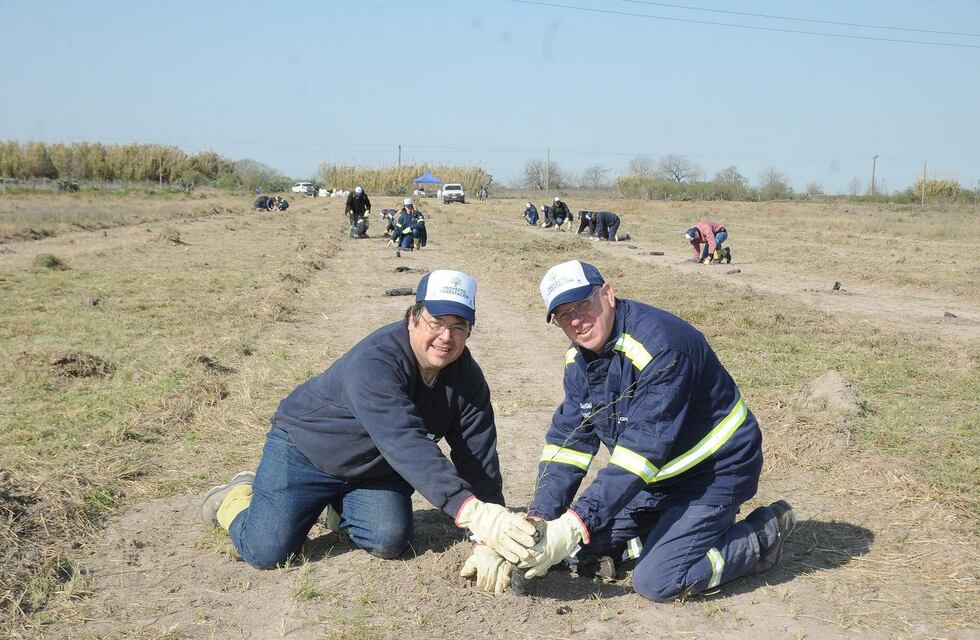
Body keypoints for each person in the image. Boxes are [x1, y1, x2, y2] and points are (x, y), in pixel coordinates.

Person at [200, 270, 538, 594]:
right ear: (412, 318)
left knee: (389, 539)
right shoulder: (376, 363)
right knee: (266, 551)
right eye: (435, 322)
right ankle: (233, 497)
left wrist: (486, 535)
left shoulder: (467, 378)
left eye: (459, 326)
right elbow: (405, 442)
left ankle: (336, 508)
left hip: (374, 467)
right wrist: (472, 512)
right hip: (307, 451)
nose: (446, 337)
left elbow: (477, 456)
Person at [517, 259, 796, 602]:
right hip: (658, 478)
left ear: (608, 294)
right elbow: (567, 444)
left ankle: (762, 535)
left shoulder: (661, 347)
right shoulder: (580, 360)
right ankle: (668, 532)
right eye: (562, 315)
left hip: (715, 473)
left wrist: (574, 523)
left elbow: (641, 452)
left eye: (582, 304)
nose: (575, 320)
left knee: (658, 581)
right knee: (577, 549)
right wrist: (540, 521)